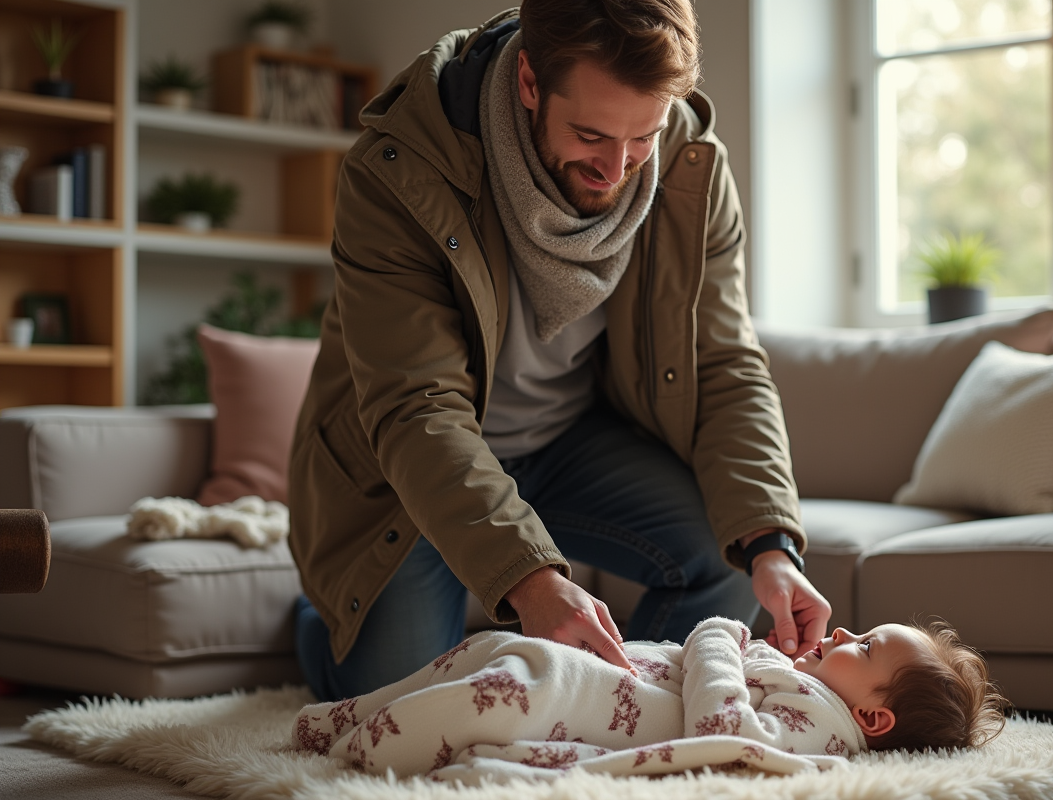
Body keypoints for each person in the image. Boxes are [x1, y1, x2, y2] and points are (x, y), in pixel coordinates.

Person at [288, 0, 829, 703]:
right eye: (591, 135)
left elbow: (724, 362)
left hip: (571, 443)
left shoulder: (691, 170)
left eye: (644, 137)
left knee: (725, 551)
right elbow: (417, 405)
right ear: (529, 83)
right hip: (411, 474)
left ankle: (619, 704)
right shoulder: (396, 170)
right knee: (396, 708)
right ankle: (318, 624)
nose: (618, 169)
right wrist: (529, 577)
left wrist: (771, 546)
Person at [290, 617, 1008, 780]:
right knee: (471, 655)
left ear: (872, 718)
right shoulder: (816, 689)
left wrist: (720, 639)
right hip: (588, 663)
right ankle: (344, 715)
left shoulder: (819, 730)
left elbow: (722, 726)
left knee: (480, 698)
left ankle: (363, 742)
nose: (844, 630)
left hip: (578, 697)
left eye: (866, 646)